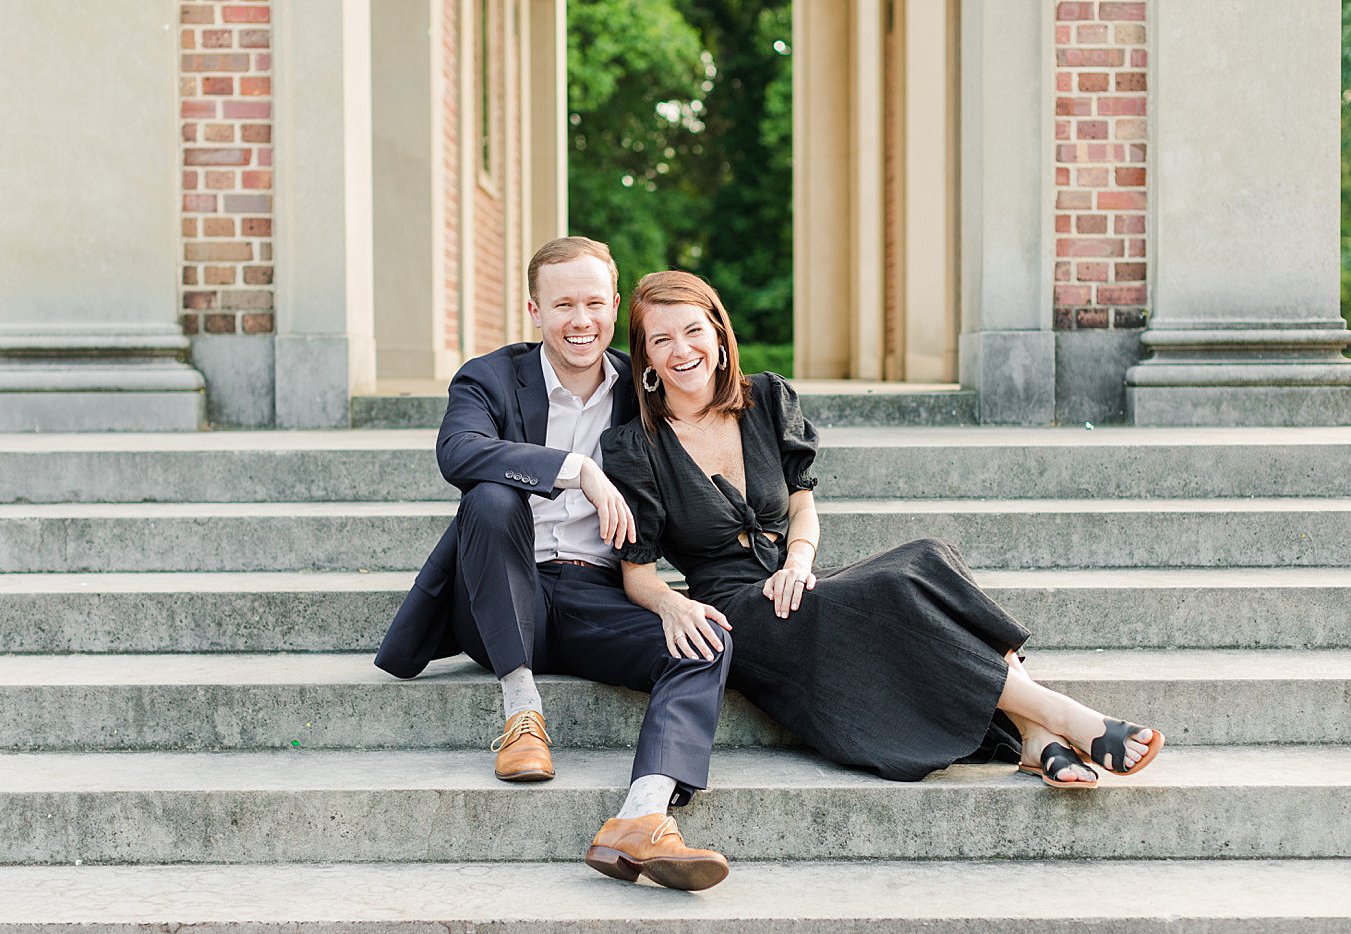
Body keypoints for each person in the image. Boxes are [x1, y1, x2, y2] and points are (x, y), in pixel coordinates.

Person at [600, 269, 1164, 791]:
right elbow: (638, 575)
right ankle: (1064, 717)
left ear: (719, 336)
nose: (682, 351)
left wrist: (798, 561)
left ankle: (1035, 735)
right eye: (661, 339)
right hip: (737, 611)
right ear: (645, 356)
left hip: (796, 580)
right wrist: (674, 607)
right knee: (891, 591)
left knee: (926, 557)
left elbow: (803, 508)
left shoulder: (767, 399)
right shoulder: (635, 448)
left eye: (693, 331)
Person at [375, 239, 732, 891]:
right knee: (488, 495)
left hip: (601, 592)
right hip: (505, 592)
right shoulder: (489, 377)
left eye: (595, 303)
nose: (581, 320)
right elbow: (459, 453)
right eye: (563, 304)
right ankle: (522, 713)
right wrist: (579, 471)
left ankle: (643, 816)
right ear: (536, 310)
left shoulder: (641, 387)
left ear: (615, 305)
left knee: (705, 639)